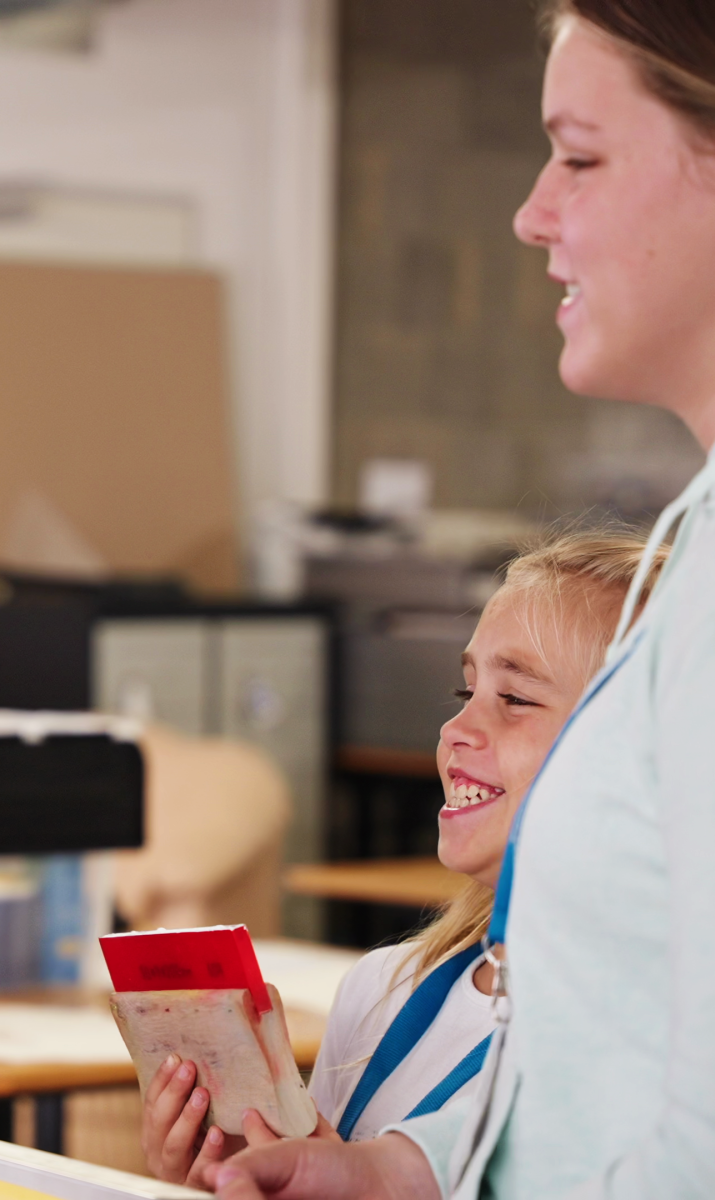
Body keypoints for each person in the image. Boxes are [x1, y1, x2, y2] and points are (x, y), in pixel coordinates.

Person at [214, 1, 715, 1196]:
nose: (532, 212)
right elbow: (608, 1065)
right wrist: (396, 1172)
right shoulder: (694, 541)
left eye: (581, 156)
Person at [140, 531, 660, 1189]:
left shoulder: (662, 1049)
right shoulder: (381, 992)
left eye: (517, 699)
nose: (454, 731)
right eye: (463, 693)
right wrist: (210, 1177)